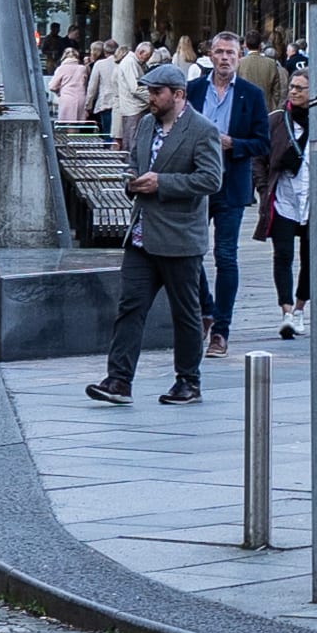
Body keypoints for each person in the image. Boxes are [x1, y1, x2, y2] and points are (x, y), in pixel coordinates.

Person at [86, 64, 223, 406]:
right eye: (149, 91)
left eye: (156, 92)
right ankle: (118, 380)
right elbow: (134, 162)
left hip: (179, 239)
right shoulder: (146, 124)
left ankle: (188, 381)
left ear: (177, 95)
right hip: (141, 236)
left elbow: (210, 180)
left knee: (185, 313)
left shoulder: (202, 130)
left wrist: (162, 183)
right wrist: (131, 180)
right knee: (130, 307)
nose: (150, 98)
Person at [189, 32, 270, 356]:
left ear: (239, 56)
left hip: (230, 184)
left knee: (225, 256)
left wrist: (232, 143)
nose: (224, 58)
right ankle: (206, 308)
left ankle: (221, 330)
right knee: (189, 254)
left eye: (230, 53)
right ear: (210, 54)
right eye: (219, 52)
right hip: (195, 184)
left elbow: (262, 142)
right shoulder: (193, 91)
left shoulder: (250, 95)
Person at [265, 66, 317, 340]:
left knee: (311, 258)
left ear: (315, 93)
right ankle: (286, 312)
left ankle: (300, 308)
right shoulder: (277, 120)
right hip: (285, 199)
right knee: (283, 255)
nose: (293, 91)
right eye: (292, 87)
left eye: (300, 88)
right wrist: (262, 185)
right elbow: (259, 155)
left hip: (315, 200)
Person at [52, 43, 92, 128]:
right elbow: (86, 83)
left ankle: (70, 141)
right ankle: (75, 140)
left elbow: (52, 86)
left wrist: (59, 92)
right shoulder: (82, 68)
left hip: (67, 97)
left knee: (69, 124)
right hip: (81, 98)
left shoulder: (61, 69)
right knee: (77, 125)